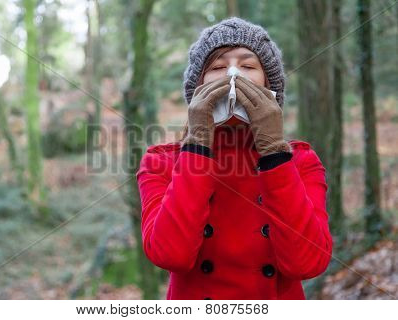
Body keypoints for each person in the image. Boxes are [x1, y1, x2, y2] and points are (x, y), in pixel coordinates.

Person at [136, 17, 333, 300]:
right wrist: (198, 145)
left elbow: (308, 262)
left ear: (269, 85)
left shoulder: (300, 161)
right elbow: (171, 255)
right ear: (197, 88)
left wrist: (274, 150)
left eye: (248, 66)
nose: (232, 75)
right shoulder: (161, 162)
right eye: (217, 67)